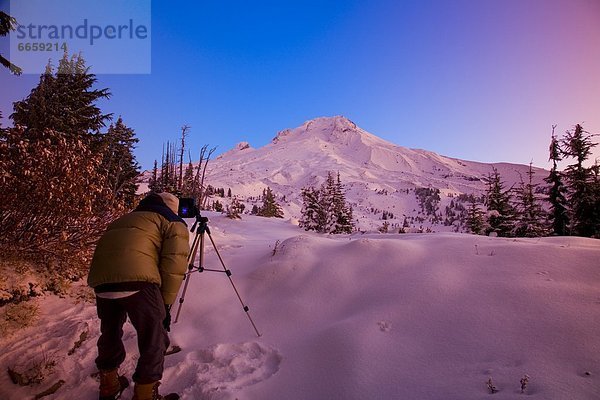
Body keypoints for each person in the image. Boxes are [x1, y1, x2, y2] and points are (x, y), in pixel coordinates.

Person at [88, 192, 190, 400]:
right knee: (154, 337)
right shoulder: (172, 220)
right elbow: (174, 265)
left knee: (109, 331)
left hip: (102, 281)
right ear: (173, 208)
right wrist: (165, 305)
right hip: (139, 281)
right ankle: (145, 395)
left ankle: (109, 385)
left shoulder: (123, 219)